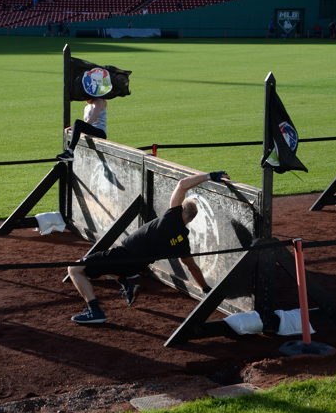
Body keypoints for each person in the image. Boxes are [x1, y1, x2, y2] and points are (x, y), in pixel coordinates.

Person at [67, 170, 231, 323]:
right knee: (109, 267)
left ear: (181, 209)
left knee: (74, 269)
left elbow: (182, 184)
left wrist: (210, 176)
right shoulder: (183, 241)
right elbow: (192, 267)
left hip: (124, 256)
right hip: (137, 266)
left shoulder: (171, 218)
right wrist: (206, 289)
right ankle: (127, 284)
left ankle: (95, 311)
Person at [56, 97, 107, 162]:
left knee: (78, 122)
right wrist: (73, 128)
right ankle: (68, 153)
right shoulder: (87, 107)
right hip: (91, 130)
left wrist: (80, 126)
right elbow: (86, 123)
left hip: (99, 132)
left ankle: (70, 152)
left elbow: (93, 118)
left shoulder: (99, 101)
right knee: (78, 123)